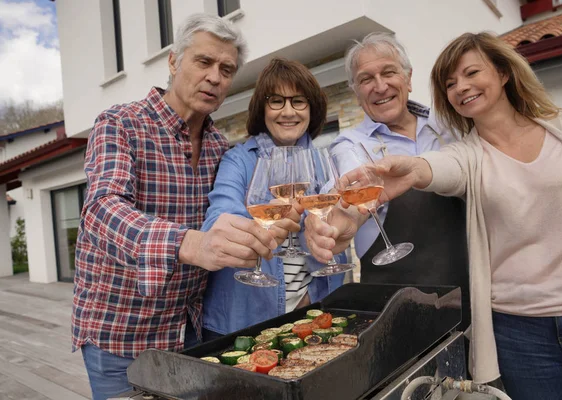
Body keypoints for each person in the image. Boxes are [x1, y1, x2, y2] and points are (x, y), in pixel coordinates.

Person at [342, 32, 562, 399]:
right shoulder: (466, 153)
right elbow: (436, 168)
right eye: (450, 83)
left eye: (471, 73)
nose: (461, 87)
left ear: (503, 72)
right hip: (518, 327)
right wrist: (411, 170)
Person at [72, 14, 288, 400]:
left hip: (189, 329)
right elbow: (101, 209)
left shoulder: (221, 148)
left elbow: (236, 214)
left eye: (227, 69)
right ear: (174, 62)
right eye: (203, 62)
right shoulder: (121, 124)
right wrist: (189, 244)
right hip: (120, 332)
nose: (215, 77)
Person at [307, 32, 470, 330]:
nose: (380, 86)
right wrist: (336, 220)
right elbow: (348, 190)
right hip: (396, 312)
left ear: (408, 79)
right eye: (366, 79)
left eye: (389, 72)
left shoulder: (451, 125)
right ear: (356, 91)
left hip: (471, 297)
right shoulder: (351, 145)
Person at [200, 58, 345, 339]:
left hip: (311, 316)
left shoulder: (320, 161)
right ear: (262, 109)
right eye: (276, 101)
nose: (288, 111)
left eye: (298, 101)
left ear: (311, 108)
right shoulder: (238, 160)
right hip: (243, 323)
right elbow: (221, 216)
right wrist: (258, 227)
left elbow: (337, 232)